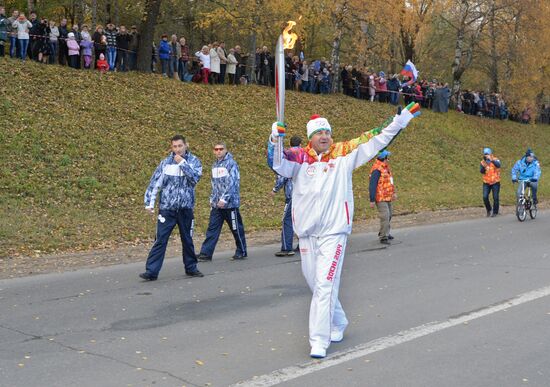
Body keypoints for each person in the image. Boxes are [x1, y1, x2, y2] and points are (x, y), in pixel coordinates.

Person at [267, 107, 419, 359]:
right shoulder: (298, 158)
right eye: (319, 133)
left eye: (327, 131)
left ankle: (318, 340)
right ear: (310, 137)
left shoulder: (344, 154)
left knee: (325, 284)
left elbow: (376, 137)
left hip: (334, 232)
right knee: (315, 285)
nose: (324, 136)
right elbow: (276, 164)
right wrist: (274, 139)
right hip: (306, 233)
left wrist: (399, 121)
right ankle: (338, 322)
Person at [140, 135, 204, 281]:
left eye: (180, 146)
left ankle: (191, 268)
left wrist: (182, 163)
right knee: (160, 240)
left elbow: (194, 179)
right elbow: (155, 183)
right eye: (174, 147)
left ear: (186, 145)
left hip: (185, 208)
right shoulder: (165, 163)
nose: (177, 149)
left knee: (187, 239)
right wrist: (149, 203)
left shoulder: (194, 161)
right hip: (167, 209)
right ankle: (151, 271)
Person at [198, 142, 247, 261]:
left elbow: (233, 183)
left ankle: (242, 251)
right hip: (217, 205)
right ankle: (206, 253)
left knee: (236, 228)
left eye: (221, 149)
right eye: (216, 149)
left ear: (225, 150)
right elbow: (214, 185)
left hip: (230, 205)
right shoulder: (214, 165)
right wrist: (212, 199)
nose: (218, 151)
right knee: (212, 229)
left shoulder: (231, 164)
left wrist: (224, 199)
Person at [271, 136, 302, 256]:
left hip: (292, 194)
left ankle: (286, 247)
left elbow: (283, 174)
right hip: (304, 194)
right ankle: (304, 244)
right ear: (300, 143)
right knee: (300, 220)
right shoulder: (305, 154)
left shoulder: (289, 155)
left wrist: (275, 189)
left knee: (287, 220)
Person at [369, 150, 396, 244]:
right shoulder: (377, 169)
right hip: (380, 197)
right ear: (384, 158)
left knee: (390, 214)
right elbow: (372, 185)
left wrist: (393, 192)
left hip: (388, 196)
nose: (388, 159)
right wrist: (372, 199)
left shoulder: (386, 168)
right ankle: (383, 237)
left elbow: (390, 181)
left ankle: (386, 232)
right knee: (385, 216)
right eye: (387, 157)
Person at [480, 147, 501, 217]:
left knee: (495, 197)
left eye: (487, 154)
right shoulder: (483, 162)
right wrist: (484, 165)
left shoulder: (496, 160)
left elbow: (498, 165)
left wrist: (491, 160)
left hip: (495, 182)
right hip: (486, 182)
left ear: (491, 154)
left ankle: (495, 212)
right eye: (485, 154)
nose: (486, 155)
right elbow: (481, 171)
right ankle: (489, 210)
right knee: (485, 197)